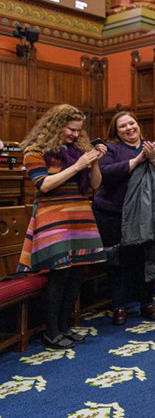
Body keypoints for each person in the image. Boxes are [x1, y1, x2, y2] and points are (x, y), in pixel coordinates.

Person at [18, 104, 107, 350]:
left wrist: (95, 163)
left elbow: (95, 186)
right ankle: (51, 332)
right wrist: (79, 165)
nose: (76, 135)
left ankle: (65, 327)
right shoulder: (35, 150)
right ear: (56, 126)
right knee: (60, 273)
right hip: (53, 217)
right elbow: (43, 184)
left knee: (76, 273)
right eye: (71, 130)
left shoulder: (77, 151)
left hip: (79, 215)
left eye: (79, 131)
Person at [93, 111, 155, 326]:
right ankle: (119, 306)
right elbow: (103, 175)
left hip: (145, 215)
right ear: (116, 130)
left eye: (131, 123)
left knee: (146, 259)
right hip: (113, 214)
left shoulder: (153, 147)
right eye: (123, 126)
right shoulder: (111, 148)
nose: (129, 128)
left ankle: (146, 302)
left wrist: (154, 161)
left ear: (138, 125)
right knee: (119, 262)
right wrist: (137, 160)